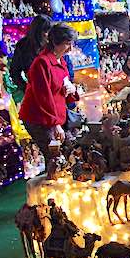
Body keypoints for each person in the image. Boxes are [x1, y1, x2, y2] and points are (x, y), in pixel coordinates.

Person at [19, 23, 80, 175]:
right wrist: (56, 125)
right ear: (55, 42)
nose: (70, 49)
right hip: (38, 118)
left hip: (55, 116)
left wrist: (72, 90)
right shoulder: (41, 63)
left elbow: (64, 85)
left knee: (65, 151)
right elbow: (43, 97)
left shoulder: (61, 61)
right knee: (54, 155)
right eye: (67, 44)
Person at [9, 15, 53, 102]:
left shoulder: (53, 44)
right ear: (38, 32)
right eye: (46, 31)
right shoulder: (23, 46)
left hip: (55, 91)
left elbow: (66, 64)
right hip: (35, 93)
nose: (49, 35)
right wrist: (25, 88)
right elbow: (14, 71)